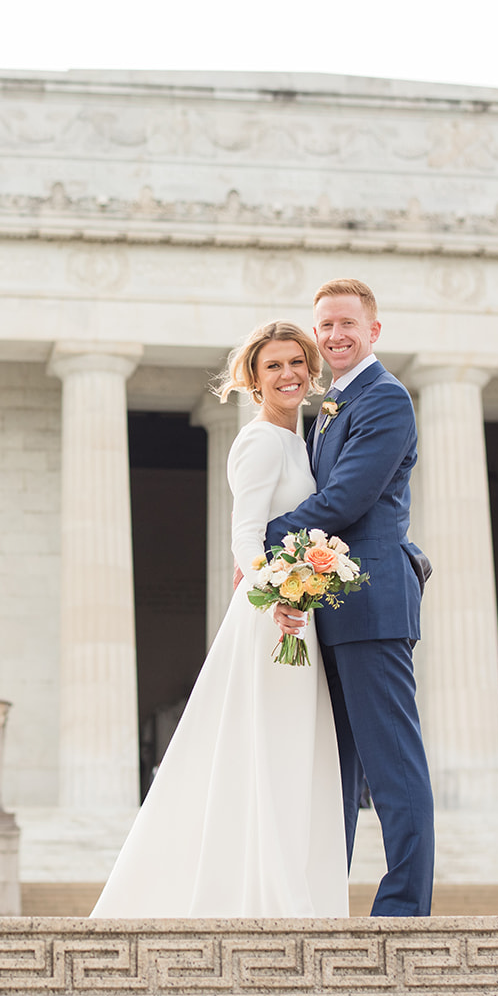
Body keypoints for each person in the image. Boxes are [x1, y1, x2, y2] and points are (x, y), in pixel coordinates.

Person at [91, 320, 348, 918]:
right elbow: (245, 536)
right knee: (268, 748)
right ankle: (266, 897)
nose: (287, 375)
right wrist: (279, 592)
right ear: (254, 381)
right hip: (275, 617)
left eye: (295, 363)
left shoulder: (298, 440)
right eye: (272, 367)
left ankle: (282, 891)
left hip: (297, 609)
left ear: (310, 371)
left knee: (288, 750)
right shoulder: (259, 441)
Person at [265, 278, 435, 917]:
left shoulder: (385, 399)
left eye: (346, 324)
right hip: (331, 604)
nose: (334, 336)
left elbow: (347, 501)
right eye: (325, 326)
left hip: (371, 605)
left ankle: (403, 911)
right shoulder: (331, 402)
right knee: (332, 768)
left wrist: (261, 542)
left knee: (392, 765)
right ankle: (325, 903)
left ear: (373, 332)